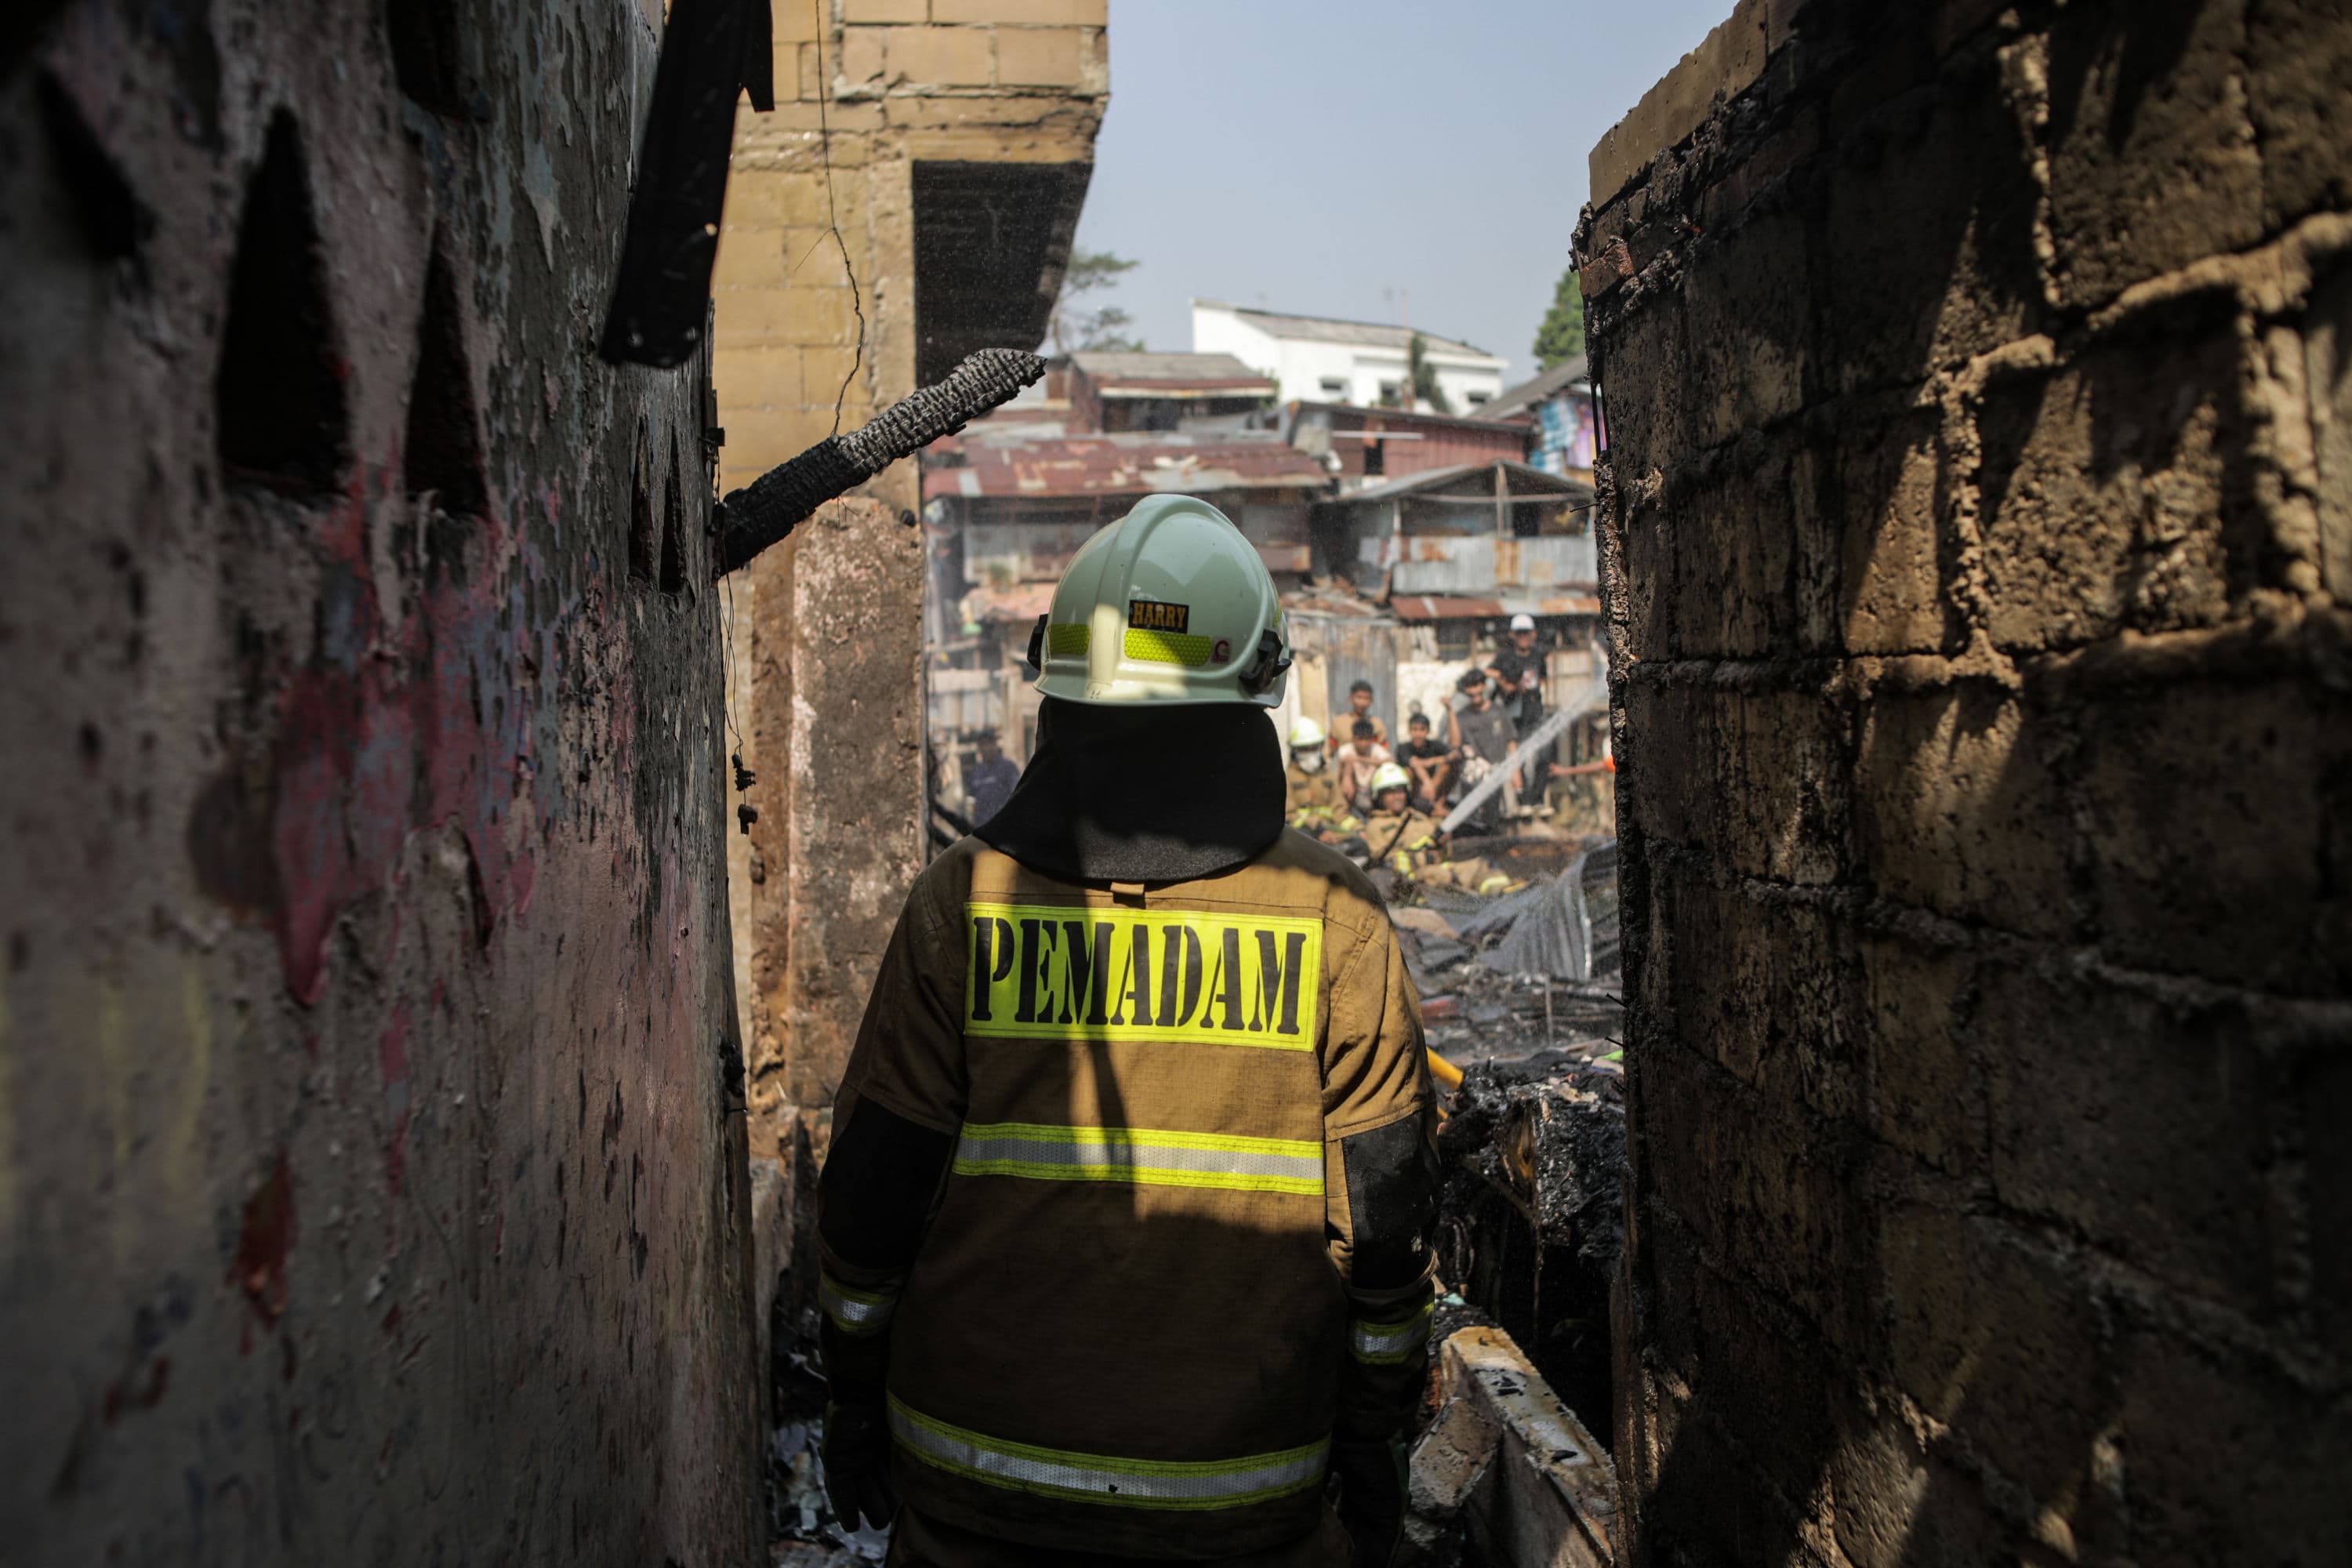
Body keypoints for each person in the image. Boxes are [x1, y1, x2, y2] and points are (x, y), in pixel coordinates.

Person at [815, 494, 1438, 1568]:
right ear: (1256, 701)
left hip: (974, 1498)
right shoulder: (1336, 920)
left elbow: (873, 1195)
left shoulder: (962, 906)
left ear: (1058, 702)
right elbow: (1384, 1229)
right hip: (1243, 1504)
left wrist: (853, 1394)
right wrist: (1374, 1436)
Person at [1446, 666, 1519, 840]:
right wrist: (1450, 711)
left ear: (1484, 686)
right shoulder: (1462, 716)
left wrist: (1516, 771)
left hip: (1495, 773)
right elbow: (1455, 742)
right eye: (1470, 688)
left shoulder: (1498, 712)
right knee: (1471, 821)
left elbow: (1511, 742)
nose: (1475, 691)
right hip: (1472, 777)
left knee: (1494, 818)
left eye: (1477, 685)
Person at [1486, 614, 1548, 793]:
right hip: (1514, 713)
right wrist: (1508, 684)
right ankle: (1523, 795)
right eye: (1520, 633)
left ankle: (1537, 797)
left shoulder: (1538, 655)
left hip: (1535, 710)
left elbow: (1542, 678)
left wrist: (1530, 690)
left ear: (1533, 634)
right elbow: (1489, 671)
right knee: (1517, 756)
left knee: (1542, 754)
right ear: (1513, 635)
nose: (1523, 637)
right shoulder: (1506, 656)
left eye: (1526, 633)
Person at [1283, 717, 1352, 840]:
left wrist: (1359, 829)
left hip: (1330, 832)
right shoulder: (1287, 778)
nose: (1310, 753)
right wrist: (1317, 828)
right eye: (1304, 749)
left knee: (1360, 845)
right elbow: (1289, 814)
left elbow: (1339, 810)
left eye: (1314, 748)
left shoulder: (1327, 775)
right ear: (1295, 751)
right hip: (1302, 835)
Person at [1331, 719, 1395, 816]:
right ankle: (1346, 809)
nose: (1364, 743)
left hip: (1371, 793)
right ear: (1353, 739)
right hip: (1354, 793)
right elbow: (1341, 767)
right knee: (1348, 767)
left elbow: (1390, 761)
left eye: (1367, 739)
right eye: (1360, 739)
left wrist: (1359, 759)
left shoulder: (1375, 748)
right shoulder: (1346, 749)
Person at [1396, 712, 1454, 815]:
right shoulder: (1403, 748)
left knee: (1450, 766)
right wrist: (1427, 781)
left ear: (1428, 731)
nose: (1418, 734)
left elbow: (1455, 755)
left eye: (1422, 730)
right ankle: (1409, 806)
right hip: (1416, 790)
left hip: (1433, 789)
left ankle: (1438, 805)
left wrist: (1431, 761)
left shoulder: (1434, 745)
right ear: (1409, 731)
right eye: (1415, 729)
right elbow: (1414, 763)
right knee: (1409, 771)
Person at [964, 729, 1019, 826]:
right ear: (979, 747)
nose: (987, 748)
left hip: (1003, 826)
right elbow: (971, 800)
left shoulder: (1008, 767)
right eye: (983, 744)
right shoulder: (976, 771)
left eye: (990, 743)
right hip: (982, 828)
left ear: (995, 745)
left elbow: (1017, 796)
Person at [1324, 680, 1387, 756]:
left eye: (1366, 698)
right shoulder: (1339, 723)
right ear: (1350, 699)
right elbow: (1330, 750)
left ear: (1371, 701)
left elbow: (1384, 752)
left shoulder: (1377, 724)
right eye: (1359, 697)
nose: (1362, 702)